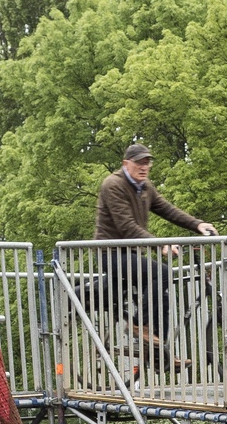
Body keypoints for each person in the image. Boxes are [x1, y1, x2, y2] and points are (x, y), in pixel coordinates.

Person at [93, 142, 217, 363]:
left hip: (129, 253)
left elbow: (167, 209)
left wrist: (197, 224)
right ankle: (140, 325)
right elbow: (127, 227)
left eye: (147, 163)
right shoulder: (112, 185)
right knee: (162, 273)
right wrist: (160, 244)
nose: (144, 167)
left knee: (163, 292)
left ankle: (161, 353)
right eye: (139, 162)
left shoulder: (145, 187)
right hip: (110, 254)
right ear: (125, 164)